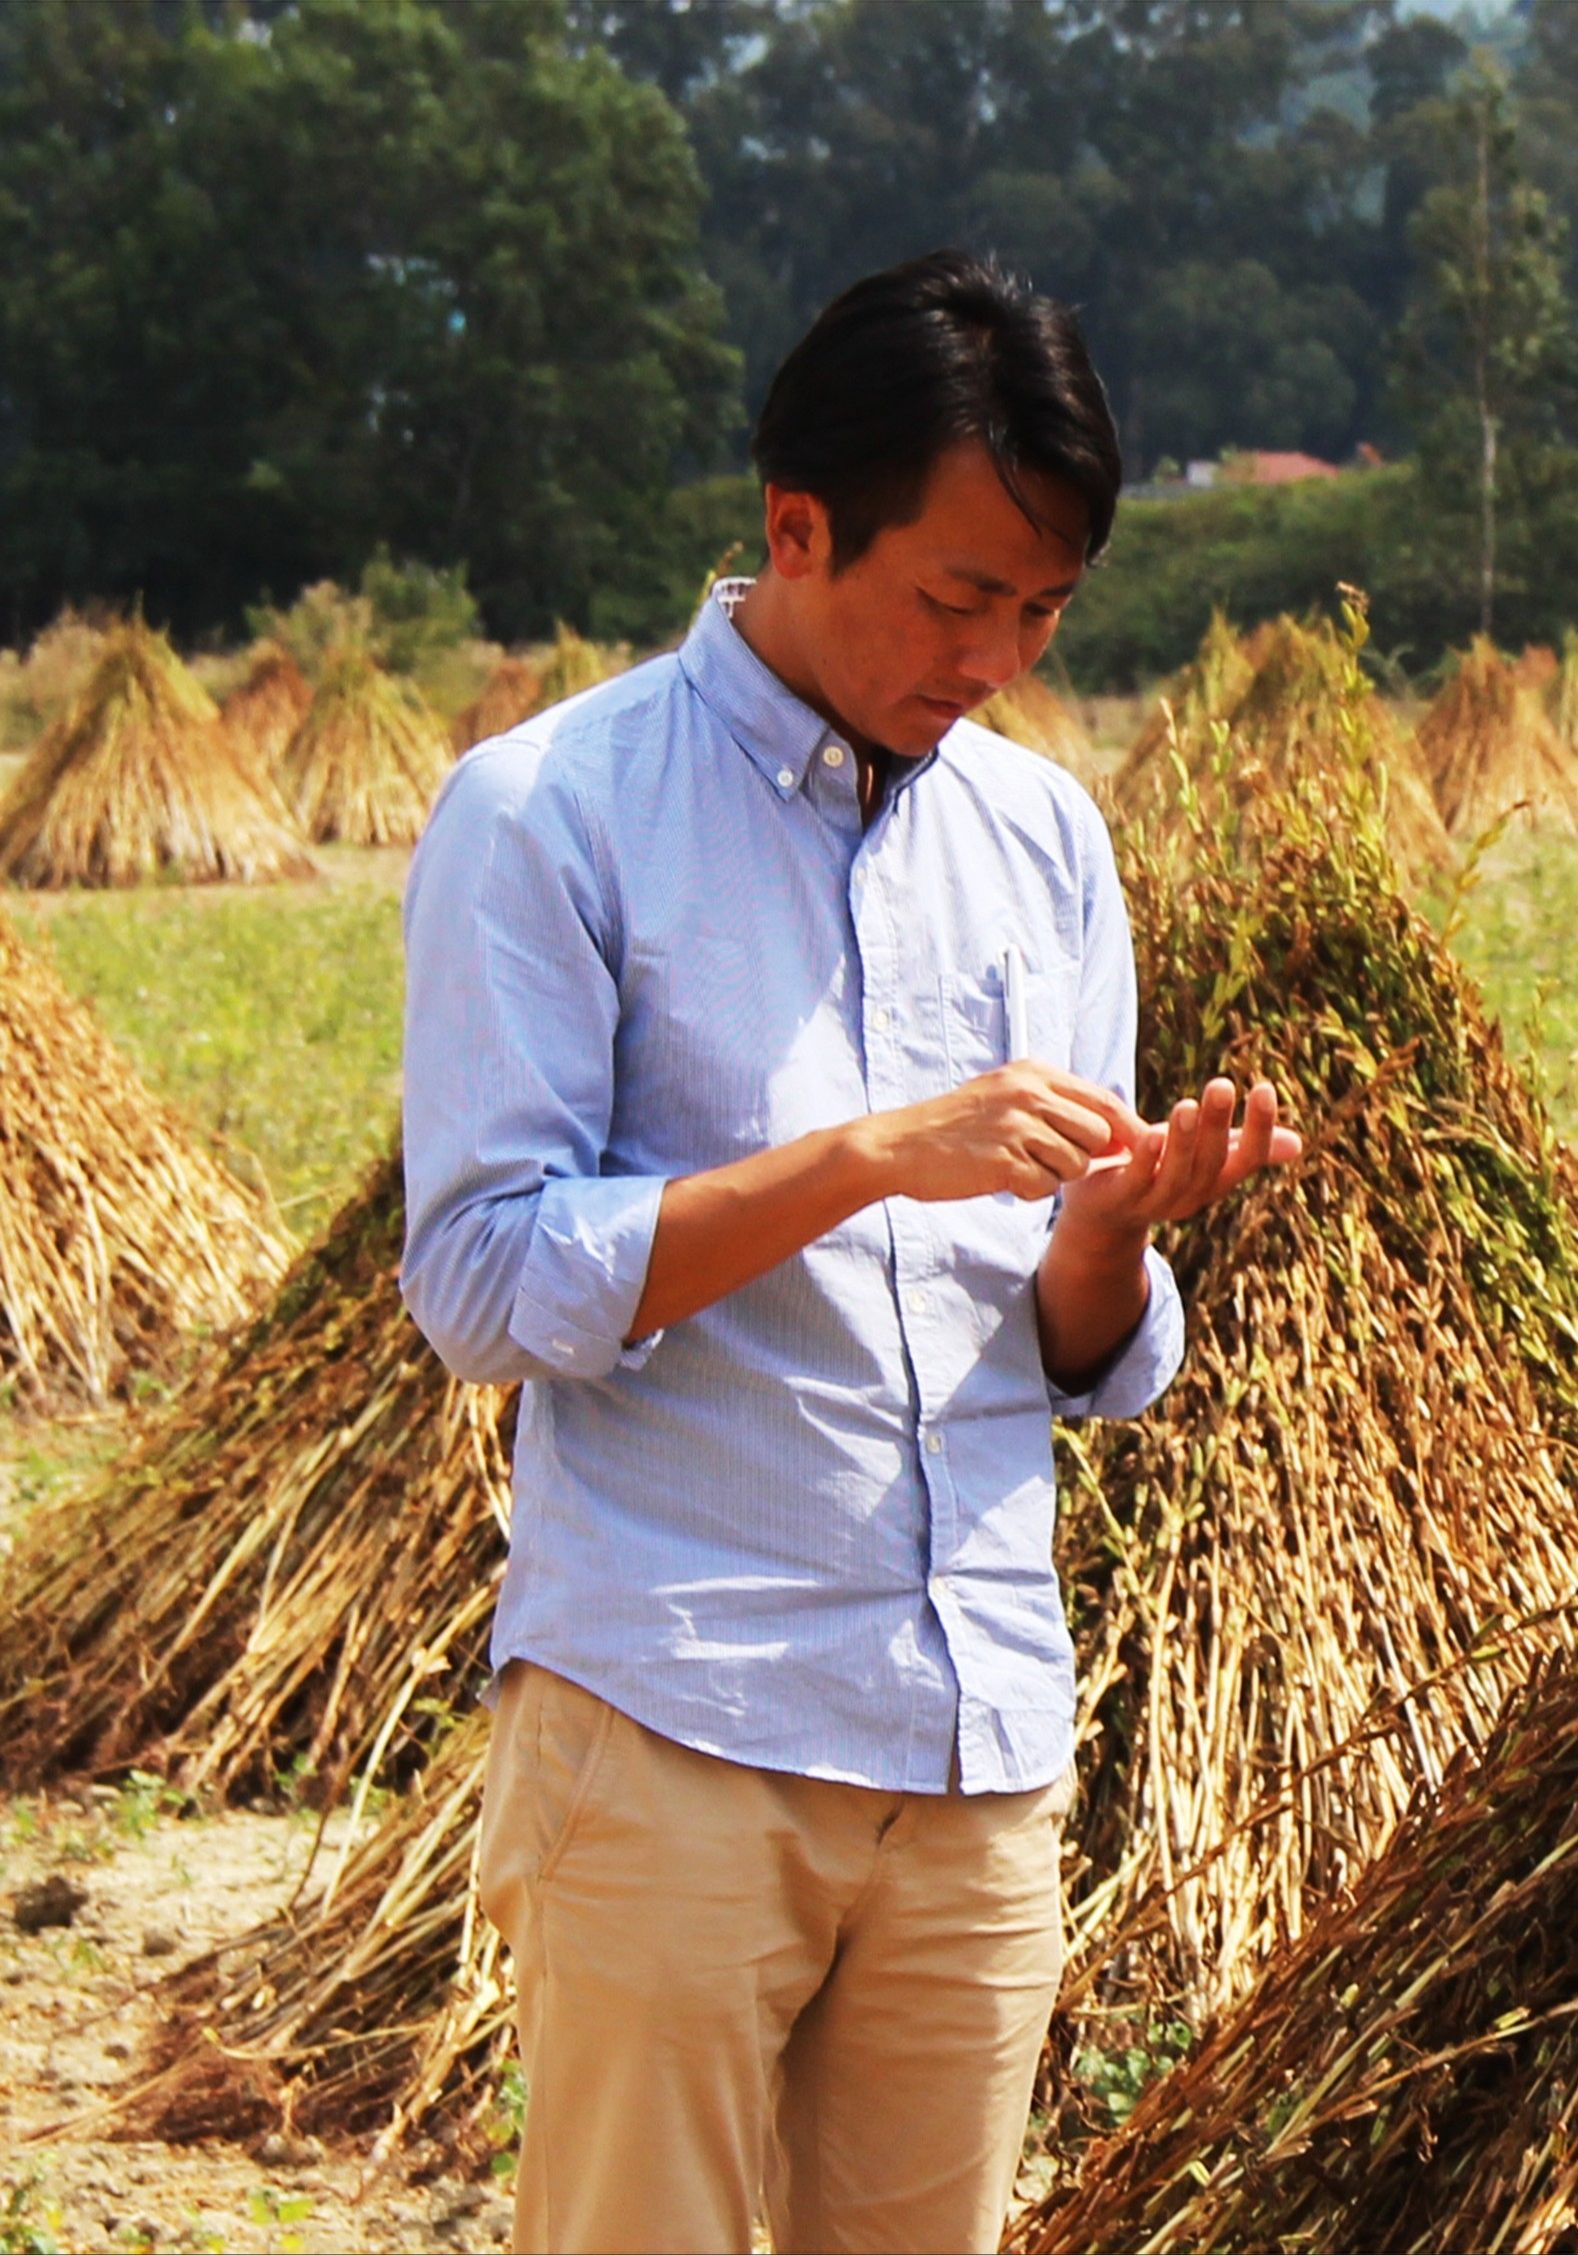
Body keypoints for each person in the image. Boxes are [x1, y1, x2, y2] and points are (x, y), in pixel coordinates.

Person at [399, 249, 1298, 2255]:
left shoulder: (1048, 840)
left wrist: (1116, 1234)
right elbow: (478, 1281)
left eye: (1044, 610)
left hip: (975, 1726)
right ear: (795, 527)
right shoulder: (552, 814)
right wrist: (864, 1160)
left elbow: (1075, 1338)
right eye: (958, 596)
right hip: (676, 1714)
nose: (994, 655)